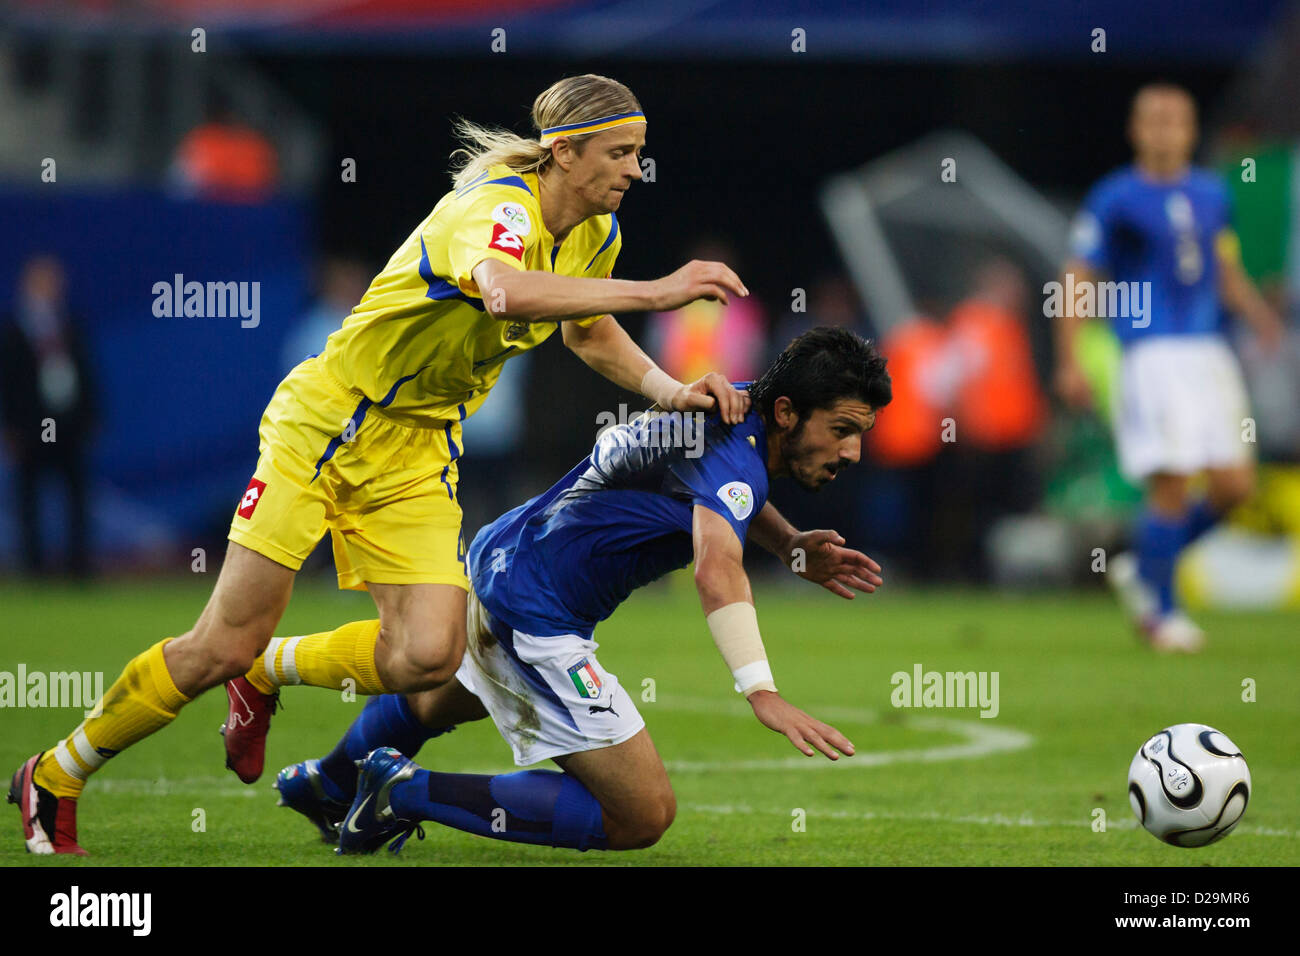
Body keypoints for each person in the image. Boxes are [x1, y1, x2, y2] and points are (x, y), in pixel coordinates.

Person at [9, 74, 750, 855]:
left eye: (639, 153)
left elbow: (588, 331)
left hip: (417, 448)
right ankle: (57, 771)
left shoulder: (594, 233)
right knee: (217, 642)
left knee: (432, 654)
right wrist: (659, 291)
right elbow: (503, 294)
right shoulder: (497, 209)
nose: (636, 169)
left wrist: (671, 391)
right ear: (564, 152)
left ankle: (268, 669)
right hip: (328, 424)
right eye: (621, 152)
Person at [270, 327, 891, 855]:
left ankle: (327, 781)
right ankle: (400, 792)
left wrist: (786, 545)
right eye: (842, 429)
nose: (853, 451)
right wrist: (762, 691)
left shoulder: (730, 410)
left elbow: (719, 488)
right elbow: (716, 567)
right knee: (642, 813)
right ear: (786, 412)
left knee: (445, 699)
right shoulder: (732, 445)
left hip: (507, 557)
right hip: (536, 612)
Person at [1054, 83, 1286, 651]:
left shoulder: (1212, 193)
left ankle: (1146, 567)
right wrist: (1070, 358)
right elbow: (1079, 278)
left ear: (1189, 130)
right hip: (1152, 354)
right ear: (1135, 130)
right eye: (1152, 120)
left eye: (1174, 120)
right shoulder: (1115, 197)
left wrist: (1258, 315)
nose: (1163, 130)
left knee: (1235, 487)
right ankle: (1164, 612)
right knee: (1174, 482)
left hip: (1209, 351)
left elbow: (1222, 265)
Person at [0, 255, 98, 578]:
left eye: (53, 283)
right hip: (31, 429)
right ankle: (34, 568)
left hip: (67, 427)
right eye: (42, 283)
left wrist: (89, 417)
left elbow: (86, 374)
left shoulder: (69, 325)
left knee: (76, 499)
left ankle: (78, 568)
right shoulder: (15, 331)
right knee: (29, 500)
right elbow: (9, 382)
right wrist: (11, 427)